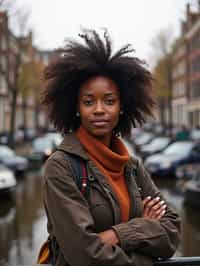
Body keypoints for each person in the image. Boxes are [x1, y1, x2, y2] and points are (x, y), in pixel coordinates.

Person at [41, 29, 181, 266]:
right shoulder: (61, 167)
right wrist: (144, 230)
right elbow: (85, 256)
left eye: (109, 100)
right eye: (88, 102)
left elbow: (173, 231)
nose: (98, 109)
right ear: (76, 108)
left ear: (122, 107)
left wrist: (116, 235)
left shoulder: (132, 167)